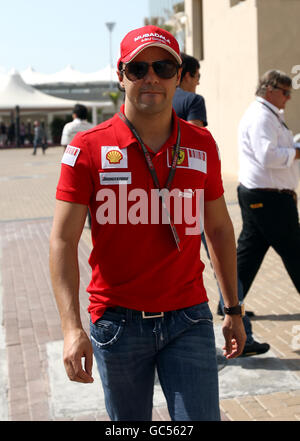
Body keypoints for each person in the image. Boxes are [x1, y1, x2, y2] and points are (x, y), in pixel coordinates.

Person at [49, 25, 246, 422]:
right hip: (116, 323)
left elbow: (220, 229)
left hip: (188, 317)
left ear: (178, 75)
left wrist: (233, 309)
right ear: (121, 75)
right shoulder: (87, 149)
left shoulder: (201, 143)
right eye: (138, 68)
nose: (151, 77)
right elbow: (61, 241)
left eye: (163, 67)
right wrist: (72, 329)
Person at [173, 52, 269, 357]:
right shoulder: (191, 101)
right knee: (221, 262)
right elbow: (195, 141)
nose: (198, 82)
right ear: (185, 73)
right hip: (192, 196)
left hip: (158, 198)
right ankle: (242, 332)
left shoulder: (155, 102)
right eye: (197, 76)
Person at [237, 70, 300, 306]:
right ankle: (229, 302)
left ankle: (229, 302)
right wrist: (296, 152)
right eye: (285, 92)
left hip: (264, 195)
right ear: (270, 90)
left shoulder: (269, 114)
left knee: (249, 254)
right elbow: (267, 155)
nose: (289, 98)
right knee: (294, 251)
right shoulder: (261, 116)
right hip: (268, 198)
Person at [173, 53, 207, 127]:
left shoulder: (156, 99)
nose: (198, 83)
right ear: (188, 76)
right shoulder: (194, 100)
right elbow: (195, 137)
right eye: (198, 76)